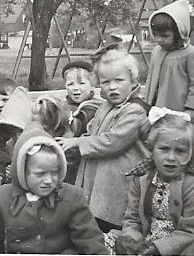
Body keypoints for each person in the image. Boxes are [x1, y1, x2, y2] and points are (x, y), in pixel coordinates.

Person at [111, 107, 194, 256]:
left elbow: (193, 230)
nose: (171, 157)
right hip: (148, 241)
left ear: (191, 153)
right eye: (164, 149)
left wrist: (157, 248)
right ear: (151, 149)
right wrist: (131, 238)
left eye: (180, 151)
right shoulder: (142, 178)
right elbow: (132, 218)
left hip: (184, 243)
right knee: (112, 239)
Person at [55, 48, 149, 233]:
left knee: (116, 216)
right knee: (97, 214)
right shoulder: (106, 106)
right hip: (101, 176)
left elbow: (113, 141)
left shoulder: (135, 110)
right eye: (106, 82)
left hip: (120, 177)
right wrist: (77, 140)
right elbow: (92, 130)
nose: (112, 87)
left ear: (133, 81)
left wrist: (78, 143)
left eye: (119, 81)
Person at [0, 127, 106, 254]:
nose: (48, 180)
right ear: (22, 172)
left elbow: (91, 242)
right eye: (40, 174)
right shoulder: (1, 199)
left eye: (54, 173)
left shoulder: (72, 197)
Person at [144, 0, 194, 129]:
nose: (159, 40)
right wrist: (146, 102)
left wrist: (191, 111)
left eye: (165, 36)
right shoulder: (156, 52)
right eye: (155, 35)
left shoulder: (192, 54)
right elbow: (150, 79)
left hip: (180, 114)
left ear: (179, 32)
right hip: (157, 111)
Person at [59, 60, 99, 136]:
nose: (75, 88)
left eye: (81, 83)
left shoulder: (96, 107)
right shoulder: (62, 107)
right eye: (70, 84)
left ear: (92, 86)